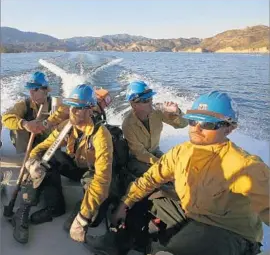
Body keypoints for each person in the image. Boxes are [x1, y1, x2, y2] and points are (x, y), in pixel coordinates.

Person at [110, 90, 269, 255]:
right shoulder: (181, 152)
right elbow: (149, 179)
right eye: (193, 121)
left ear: (229, 128)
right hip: (191, 213)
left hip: (228, 231)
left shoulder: (247, 167)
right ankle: (123, 244)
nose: (196, 129)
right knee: (143, 197)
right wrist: (125, 204)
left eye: (208, 124)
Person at [85, 81, 188, 254]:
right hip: (138, 159)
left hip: (156, 153)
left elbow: (182, 124)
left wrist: (176, 113)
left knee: (179, 177)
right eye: (145, 100)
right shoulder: (128, 124)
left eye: (150, 98)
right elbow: (139, 153)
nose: (150, 102)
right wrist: (165, 168)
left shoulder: (157, 113)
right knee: (152, 185)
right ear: (133, 104)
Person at [20, 84, 114, 245]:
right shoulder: (67, 126)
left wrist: (83, 217)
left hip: (91, 171)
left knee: (94, 217)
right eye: (71, 107)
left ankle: (81, 207)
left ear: (90, 109)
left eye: (79, 108)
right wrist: (33, 161)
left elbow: (102, 179)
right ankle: (55, 206)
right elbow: (44, 146)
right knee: (48, 158)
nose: (73, 112)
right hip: (73, 165)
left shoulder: (101, 135)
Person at [1, 71, 51, 153]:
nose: (31, 93)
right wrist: (24, 124)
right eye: (30, 89)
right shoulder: (24, 104)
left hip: (46, 143)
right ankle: (23, 155)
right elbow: (6, 118)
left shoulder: (56, 105)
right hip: (26, 145)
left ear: (45, 90)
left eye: (35, 89)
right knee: (19, 125)